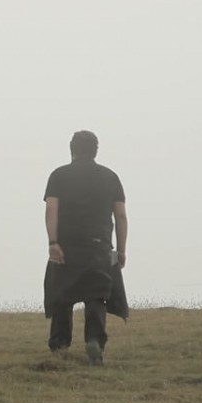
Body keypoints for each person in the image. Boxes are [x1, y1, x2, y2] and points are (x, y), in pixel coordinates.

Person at [43, 130, 128, 365]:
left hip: (66, 246)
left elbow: (51, 210)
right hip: (98, 246)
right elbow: (120, 216)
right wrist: (121, 250)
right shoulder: (111, 177)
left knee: (62, 295)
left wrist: (53, 243)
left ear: (72, 150)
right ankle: (94, 341)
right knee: (96, 296)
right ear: (95, 150)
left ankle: (59, 346)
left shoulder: (58, 176)